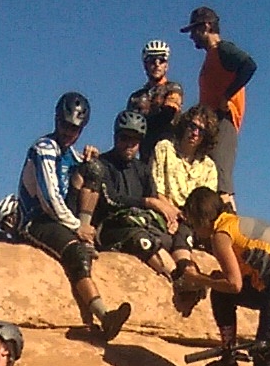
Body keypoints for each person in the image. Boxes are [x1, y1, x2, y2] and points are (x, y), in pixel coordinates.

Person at [15, 93, 131, 343]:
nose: (69, 133)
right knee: (76, 254)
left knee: (95, 168)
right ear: (57, 120)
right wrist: (77, 226)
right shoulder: (44, 149)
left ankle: (86, 235)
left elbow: (89, 173)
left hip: (62, 218)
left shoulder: (70, 153)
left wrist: (91, 158)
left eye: (75, 129)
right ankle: (104, 315)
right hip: (36, 219)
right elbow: (49, 199)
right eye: (65, 125)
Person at [178, 188, 270, 366]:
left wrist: (197, 278)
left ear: (202, 220)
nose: (194, 230)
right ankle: (228, 358)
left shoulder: (221, 235)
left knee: (264, 358)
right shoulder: (233, 222)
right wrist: (214, 280)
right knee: (221, 293)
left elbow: (234, 285)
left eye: (193, 224)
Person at [72, 109, 186, 282]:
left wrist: (170, 220)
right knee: (141, 239)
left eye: (135, 140)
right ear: (115, 137)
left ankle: (189, 273)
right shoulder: (102, 164)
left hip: (142, 223)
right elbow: (111, 199)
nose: (129, 144)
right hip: (111, 228)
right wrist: (146, 202)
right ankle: (178, 280)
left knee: (182, 232)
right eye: (124, 138)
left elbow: (154, 200)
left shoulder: (142, 170)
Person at [182, 6, 255, 208]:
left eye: (194, 30)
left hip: (223, 120)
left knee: (221, 179)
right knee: (211, 177)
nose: (192, 37)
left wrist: (226, 96)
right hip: (212, 123)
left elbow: (249, 65)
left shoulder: (223, 49)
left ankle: (229, 222)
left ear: (206, 27)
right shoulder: (212, 56)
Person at [151, 105, 222, 212]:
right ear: (185, 125)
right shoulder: (164, 149)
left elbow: (207, 206)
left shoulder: (209, 167)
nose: (195, 133)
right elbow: (156, 191)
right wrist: (173, 212)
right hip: (163, 212)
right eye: (193, 126)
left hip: (194, 219)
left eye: (201, 131)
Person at [125, 39, 171, 118]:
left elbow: (169, 113)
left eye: (161, 60)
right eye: (152, 61)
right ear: (146, 66)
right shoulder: (136, 97)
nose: (157, 64)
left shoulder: (172, 88)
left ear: (166, 66)